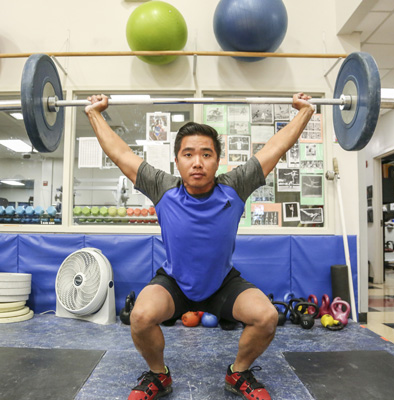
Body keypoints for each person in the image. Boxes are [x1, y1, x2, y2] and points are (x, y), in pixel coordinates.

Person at [85, 93, 314, 400]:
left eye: (206, 155)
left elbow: (275, 147)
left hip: (222, 284)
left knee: (267, 317)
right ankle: (158, 375)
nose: (197, 162)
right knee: (140, 316)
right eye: (188, 154)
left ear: (217, 161)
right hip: (175, 282)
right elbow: (121, 154)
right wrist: (94, 113)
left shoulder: (235, 186)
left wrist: (305, 112)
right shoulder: (162, 187)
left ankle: (238, 372)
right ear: (177, 160)